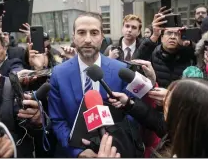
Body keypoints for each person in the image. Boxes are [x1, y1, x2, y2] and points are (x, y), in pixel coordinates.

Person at [48, 12, 143, 158]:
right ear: (73, 37)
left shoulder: (122, 70)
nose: (87, 40)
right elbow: (57, 120)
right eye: (81, 33)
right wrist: (77, 152)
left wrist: (113, 146)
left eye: (94, 33)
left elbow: (132, 116)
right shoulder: (59, 74)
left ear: (102, 37)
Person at [108, 78, 208, 158]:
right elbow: (159, 123)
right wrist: (129, 103)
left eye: (171, 101)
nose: (164, 101)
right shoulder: (191, 135)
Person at [138, 13, 196, 88]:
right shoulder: (153, 54)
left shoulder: (187, 54)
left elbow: (199, 57)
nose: (173, 37)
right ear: (161, 38)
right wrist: (154, 36)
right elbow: (136, 61)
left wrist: (188, 44)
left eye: (176, 34)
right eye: (169, 33)